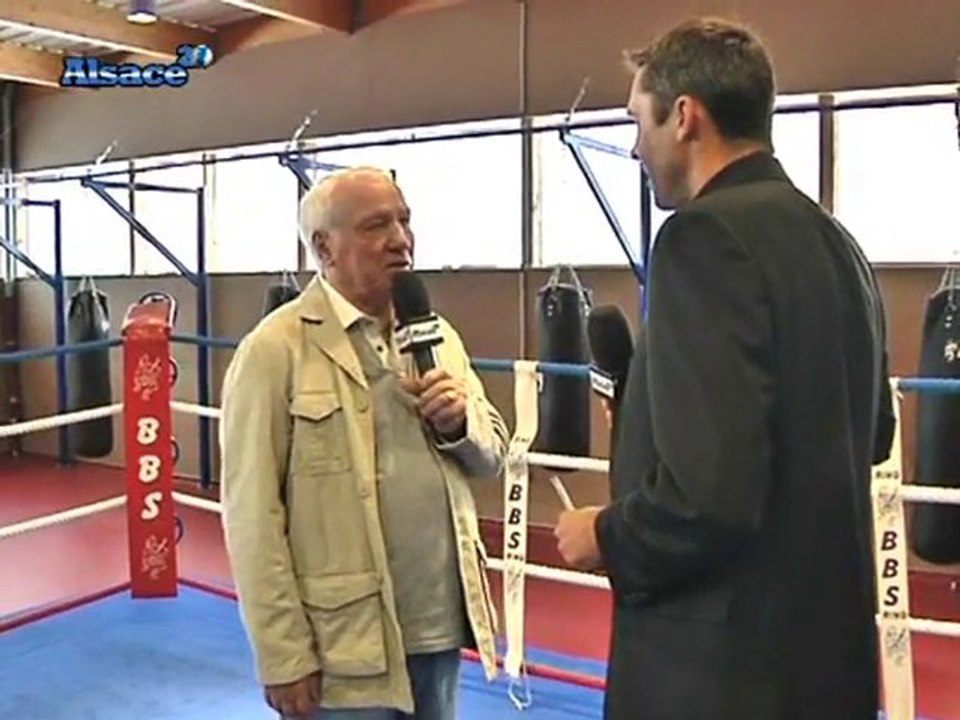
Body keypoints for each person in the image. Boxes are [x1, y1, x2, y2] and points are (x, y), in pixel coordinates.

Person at [553, 17, 896, 720]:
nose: (633, 146)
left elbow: (707, 498)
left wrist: (604, 534)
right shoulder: (837, 245)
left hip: (719, 677)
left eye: (637, 121)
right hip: (825, 668)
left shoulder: (702, 239)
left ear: (684, 117)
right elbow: (874, 434)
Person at [219, 167, 507, 720]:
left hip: (438, 627)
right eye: (377, 225)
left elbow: (492, 453)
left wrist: (458, 426)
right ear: (324, 247)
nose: (400, 239)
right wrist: (282, 655)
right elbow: (252, 515)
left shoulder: (438, 335)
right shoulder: (273, 351)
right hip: (342, 647)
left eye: (404, 221)